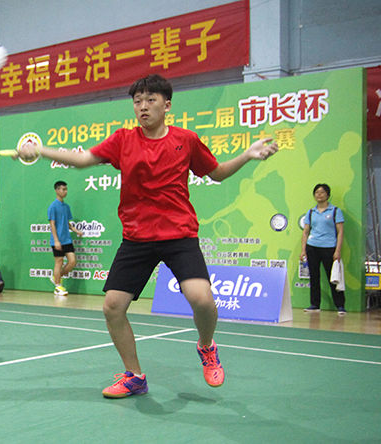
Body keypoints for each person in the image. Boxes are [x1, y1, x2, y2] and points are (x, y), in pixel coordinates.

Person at [16, 73, 279, 397]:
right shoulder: (123, 140)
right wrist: (41, 150)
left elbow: (218, 173)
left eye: (150, 100)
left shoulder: (186, 140)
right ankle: (135, 376)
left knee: (202, 300)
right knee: (112, 307)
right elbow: (83, 160)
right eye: (137, 101)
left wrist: (247, 155)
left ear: (166, 105)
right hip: (137, 237)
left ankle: (207, 345)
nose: (142, 106)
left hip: (178, 234)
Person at [300, 183, 346, 315]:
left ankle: (340, 305)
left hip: (329, 248)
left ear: (328, 195)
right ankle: (315, 304)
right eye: (316, 192)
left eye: (322, 192)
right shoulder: (311, 212)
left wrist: (337, 251)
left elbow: (340, 232)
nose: (319, 194)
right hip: (312, 247)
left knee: (333, 278)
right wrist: (303, 250)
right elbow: (305, 232)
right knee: (314, 277)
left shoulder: (335, 211)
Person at [47, 181, 83, 296]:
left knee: (72, 262)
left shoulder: (66, 207)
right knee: (59, 262)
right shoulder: (53, 206)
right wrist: (56, 240)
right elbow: (52, 224)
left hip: (67, 239)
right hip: (57, 240)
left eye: (66, 189)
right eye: (63, 189)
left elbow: (67, 223)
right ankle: (58, 287)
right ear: (57, 190)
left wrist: (76, 230)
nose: (65, 192)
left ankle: (56, 277)